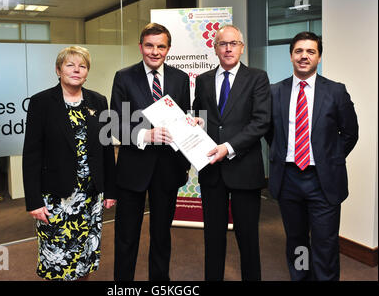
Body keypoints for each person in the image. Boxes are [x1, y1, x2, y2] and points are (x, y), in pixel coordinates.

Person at [266, 32, 358, 280]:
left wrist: (330, 159)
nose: (304, 56)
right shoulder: (275, 91)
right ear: (291, 55)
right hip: (288, 179)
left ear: (319, 56)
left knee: (325, 242)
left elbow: (350, 133)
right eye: (298, 51)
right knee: (296, 240)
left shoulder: (336, 91)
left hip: (323, 180)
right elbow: (270, 134)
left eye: (310, 51)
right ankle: (301, 277)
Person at [22, 46, 116, 281]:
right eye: (70, 65)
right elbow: (31, 154)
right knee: (57, 262)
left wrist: (110, 190)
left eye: (82, 66)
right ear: (58, 70)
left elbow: (106, 149)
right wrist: (34, 201)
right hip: (56, 197)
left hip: (90, 196)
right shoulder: (41, 102)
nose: (76, 70)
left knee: (84, 259)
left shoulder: (98, 101)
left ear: (87, 72)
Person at [110, 23, 190, 281]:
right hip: (134, 168)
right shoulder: (124, 77)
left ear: (168, 48)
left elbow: (184, 117)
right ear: (140, 46)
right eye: (149, 45)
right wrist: (145, 135)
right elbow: (115, 123)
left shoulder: (180, 78)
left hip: (168, 168)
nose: (155, 52)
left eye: (161, 46)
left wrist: (192, 124)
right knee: (126, 235)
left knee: (161, 234)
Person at [192, 25, 271, 281]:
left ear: (242, 47)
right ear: (215, 48)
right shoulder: (203, 80)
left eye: (233, 43)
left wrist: (228, 148)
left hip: (244, 169)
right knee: (212, 237)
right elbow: (199, 115)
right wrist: (197, 123)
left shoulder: (257, 78)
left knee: (247, 237)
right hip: (211, 171)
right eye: (223, 44)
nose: (228, 48)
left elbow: (260, 122)